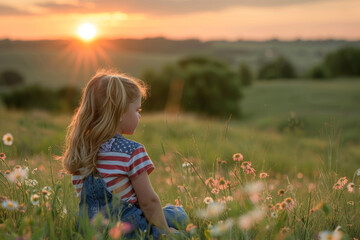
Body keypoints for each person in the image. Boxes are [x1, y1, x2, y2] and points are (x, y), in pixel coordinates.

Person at [60, 69, 188, 239]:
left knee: (171, 213)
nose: (139, 116)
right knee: (178, 215)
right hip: (131, 231)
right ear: (119, 113)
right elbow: (148, 202)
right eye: (137, 110)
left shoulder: (81, 151)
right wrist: (166, 231)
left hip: (91, 232)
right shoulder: (131, 151)